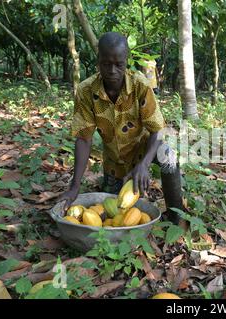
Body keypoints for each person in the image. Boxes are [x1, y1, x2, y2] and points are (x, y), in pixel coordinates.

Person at [59, 32, 183, 224]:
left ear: (126, 61)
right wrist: (75, 185)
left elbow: (157, 130)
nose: (112, 71)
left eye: (119, 65)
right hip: (114, 162)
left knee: (169, 156)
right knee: (114, 213)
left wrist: (144, 165)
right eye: (106, 64)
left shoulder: (140, 85)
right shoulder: (86, 91)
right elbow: (84, 138)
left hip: (143, 149)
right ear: (98, 61)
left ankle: (176, 218)